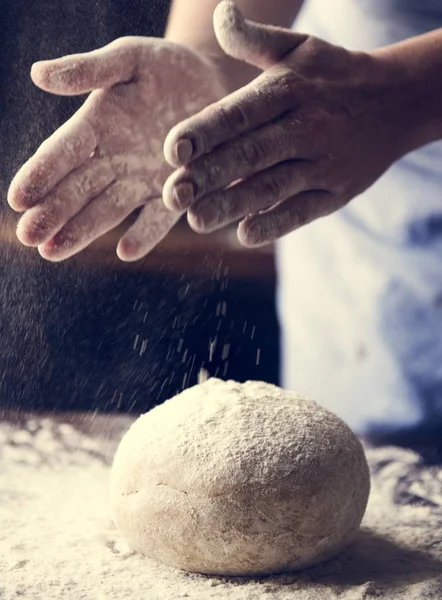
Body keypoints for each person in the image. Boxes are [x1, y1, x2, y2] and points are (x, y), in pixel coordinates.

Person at [7, 0, 442, 452]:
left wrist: (397, 97)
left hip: (360, 113)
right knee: (342, 480)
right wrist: (210, 59)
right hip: (364, 249)